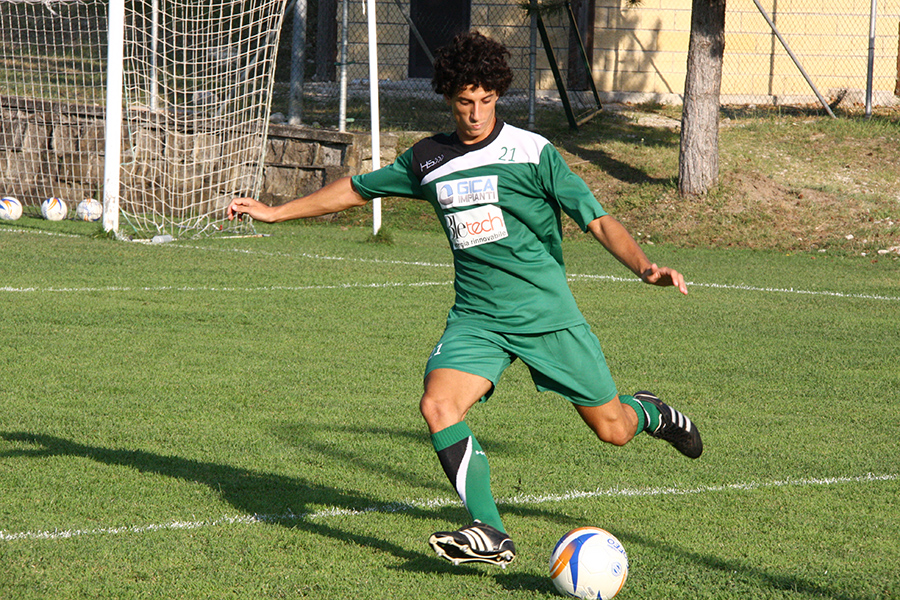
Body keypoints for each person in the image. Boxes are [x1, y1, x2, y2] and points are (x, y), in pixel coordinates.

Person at [227, 31, 702, 568]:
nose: (475, 114)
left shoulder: (531, 152)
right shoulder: (429, 159)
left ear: (497, 94)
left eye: (485, 100)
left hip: (546, 315)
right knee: (438, 404)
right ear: (449, 99)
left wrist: (645, 268)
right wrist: (276, 211)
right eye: (464, 102)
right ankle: (490, 530)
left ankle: (652, 413)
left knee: (612, 430)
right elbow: (359, 187)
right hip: (477, 318)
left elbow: (596, 218)